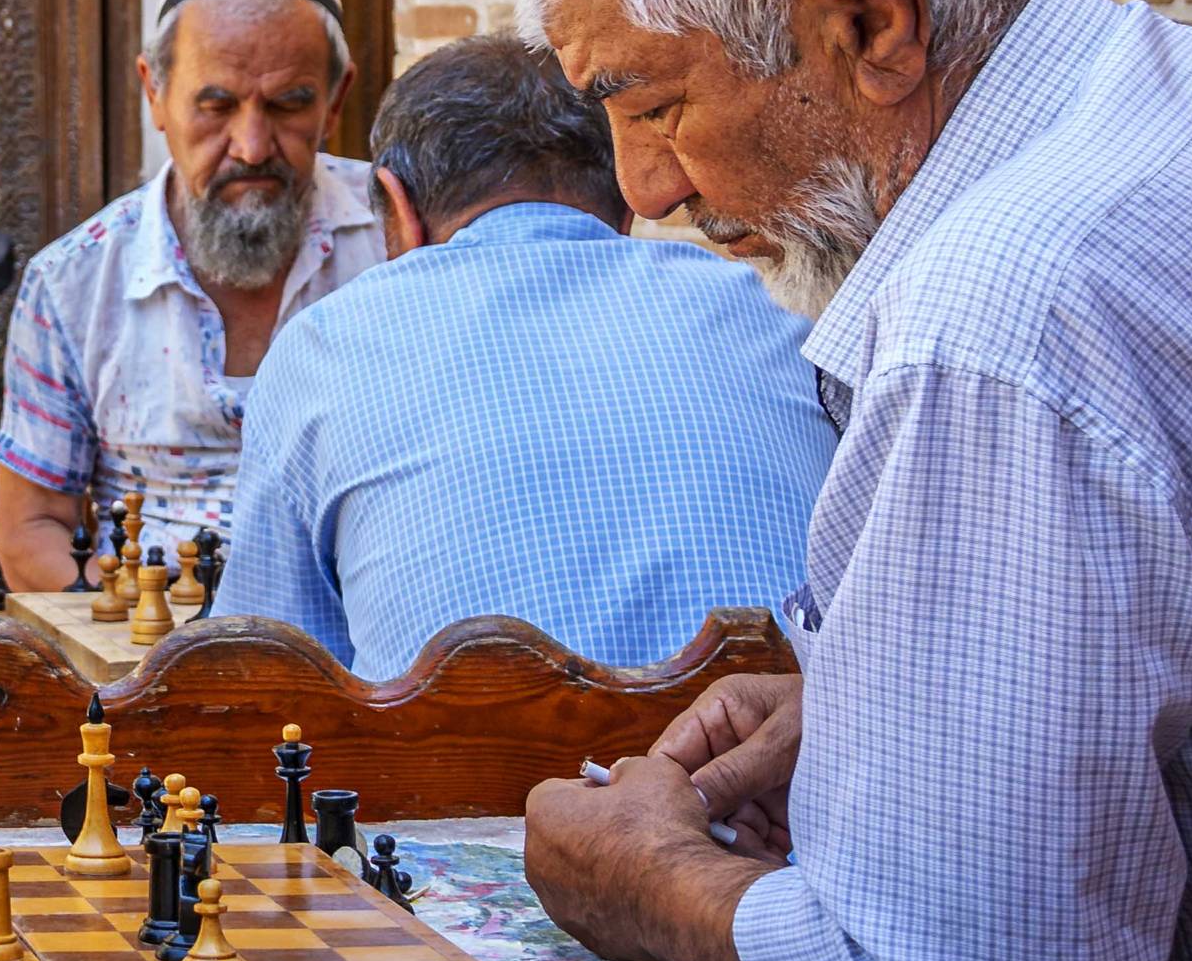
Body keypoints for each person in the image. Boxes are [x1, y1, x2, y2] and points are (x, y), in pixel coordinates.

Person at [513, 0, 1192, 961]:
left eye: (653, 104)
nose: (644, 190)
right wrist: (877, 705)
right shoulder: (1175, 102)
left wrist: (650, 883)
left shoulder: (1005, 304)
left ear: (864, 17)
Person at [219, 33, 831, 675]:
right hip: (759, 767)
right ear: (625, 200)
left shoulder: (323, 347)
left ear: (398, 210)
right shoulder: (775, 315)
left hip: (470, 772)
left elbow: (270, 673)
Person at [0, 0, 383, 585]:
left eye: (290, 104)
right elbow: (33, 529)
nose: (252, 145)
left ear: (337, 96)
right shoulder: (73, 283)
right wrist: (138, 640)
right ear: (155, 93)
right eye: (217, 105)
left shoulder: (400, 236)